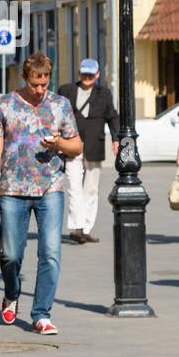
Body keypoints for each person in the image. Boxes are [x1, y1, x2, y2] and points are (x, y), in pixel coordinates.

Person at [0, 53, 82, 334]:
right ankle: (12, 293)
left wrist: (61, 143)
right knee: (10, 255)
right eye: (35, 84)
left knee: (50, 252)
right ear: (24, 78)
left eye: (45, 84)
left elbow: (77, 146)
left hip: (50, 188)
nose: (40, 90)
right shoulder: (4, 105)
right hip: (12, 190)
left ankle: (41, 313)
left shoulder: (60, 105)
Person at [57, 59, 120, 244]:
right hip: (71, 145)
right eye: (84, 73)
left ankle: (85, 227)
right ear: (79, 73)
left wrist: (116, 139)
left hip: (95, 146)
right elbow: (56, 114)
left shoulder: (104, 93)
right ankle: (77, 227)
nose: (87, 77)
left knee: (91, 189)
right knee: (74, 187)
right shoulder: (66, 90)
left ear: (97, 74)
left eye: (91, 74)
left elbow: (112, 116)